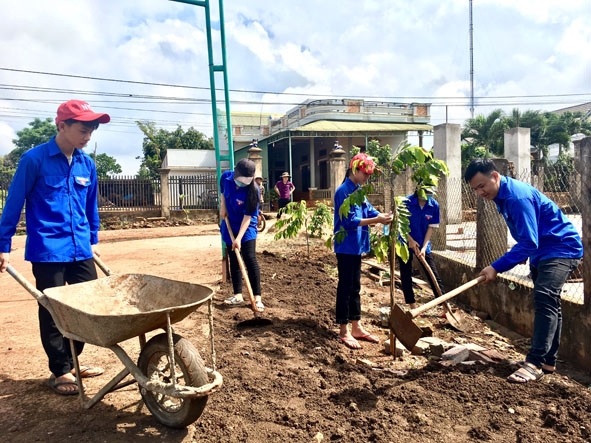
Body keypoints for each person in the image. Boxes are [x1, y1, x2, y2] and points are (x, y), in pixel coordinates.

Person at [0, 100, 110, 395]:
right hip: (48, 249)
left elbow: (91, 207)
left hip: (80, 248)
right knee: (53, 309)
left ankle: (74, 360)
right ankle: (60, 369)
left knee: (88, 305)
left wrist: (93, 239)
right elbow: (14, 203)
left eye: (92, 130)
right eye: (83, 129)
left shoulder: (87, 163)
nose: (88, 135)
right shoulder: (34, 160)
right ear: (61, 126)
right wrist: (3, 244)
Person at [464, 158, 583, 383]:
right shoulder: (501, 195)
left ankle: (534, 363)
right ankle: (547, 362)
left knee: (545, 298)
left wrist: (496, 267)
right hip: (542, 250)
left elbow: (529, 241)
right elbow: (528, 237)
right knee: (551, 303)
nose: (480, 192)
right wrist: (522, 252)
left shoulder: (516, 197)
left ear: (495, 176)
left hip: (561, 247)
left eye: (482, 185)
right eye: (475, 189)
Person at [333, 153, 393, 349]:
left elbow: (368, 210)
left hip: (356, 246)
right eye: (365, 174)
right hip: (346, 247)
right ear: (355, 170)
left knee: (355, 287)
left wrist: (381, 215)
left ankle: (356, 325)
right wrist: (377, 220)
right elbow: (349, 222)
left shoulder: (359, 190)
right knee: (345, 288)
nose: (368, 177)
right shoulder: (344, 191)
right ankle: (344, 330)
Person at [220, 159, 264, 311]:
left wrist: (238, 238)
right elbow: (223, 195)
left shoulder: (254, 190)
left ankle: (257, 298)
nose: (241, 184)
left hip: (246, 225)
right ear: (236, 173)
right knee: (233, 258)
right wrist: (222, 208)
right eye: (240, 181)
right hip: (230, 223)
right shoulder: (226, 177)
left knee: (249, 258)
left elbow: (248, 216)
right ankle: (238, 295)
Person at [397, 188, 445, 309]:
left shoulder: (434, 205)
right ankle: (412, 305)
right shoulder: (405, 202)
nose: (428, 195)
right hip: (404, 241)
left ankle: (445, 305)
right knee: (406, 273)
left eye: (431, 193)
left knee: (432, 273)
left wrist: (424, 247)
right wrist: (410, 241)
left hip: (423, 243)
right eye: (426, 192)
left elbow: (430, 228)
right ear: (418, 190)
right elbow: (399, 224)